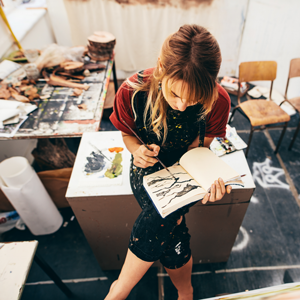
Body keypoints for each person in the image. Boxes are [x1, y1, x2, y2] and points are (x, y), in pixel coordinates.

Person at [107, 24, 232, 300]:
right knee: (170, 224)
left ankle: (120, 289)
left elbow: (201, 147)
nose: (182, 105)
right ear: (161, 67)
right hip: (146, 167)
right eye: (175, 94)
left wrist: (206, 176)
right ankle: (185, 291)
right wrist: (137, 150)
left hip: (189, 167)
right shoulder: (132, 92)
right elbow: (127, 135)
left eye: (194, 98)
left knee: (165, 217)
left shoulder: (219, 100)